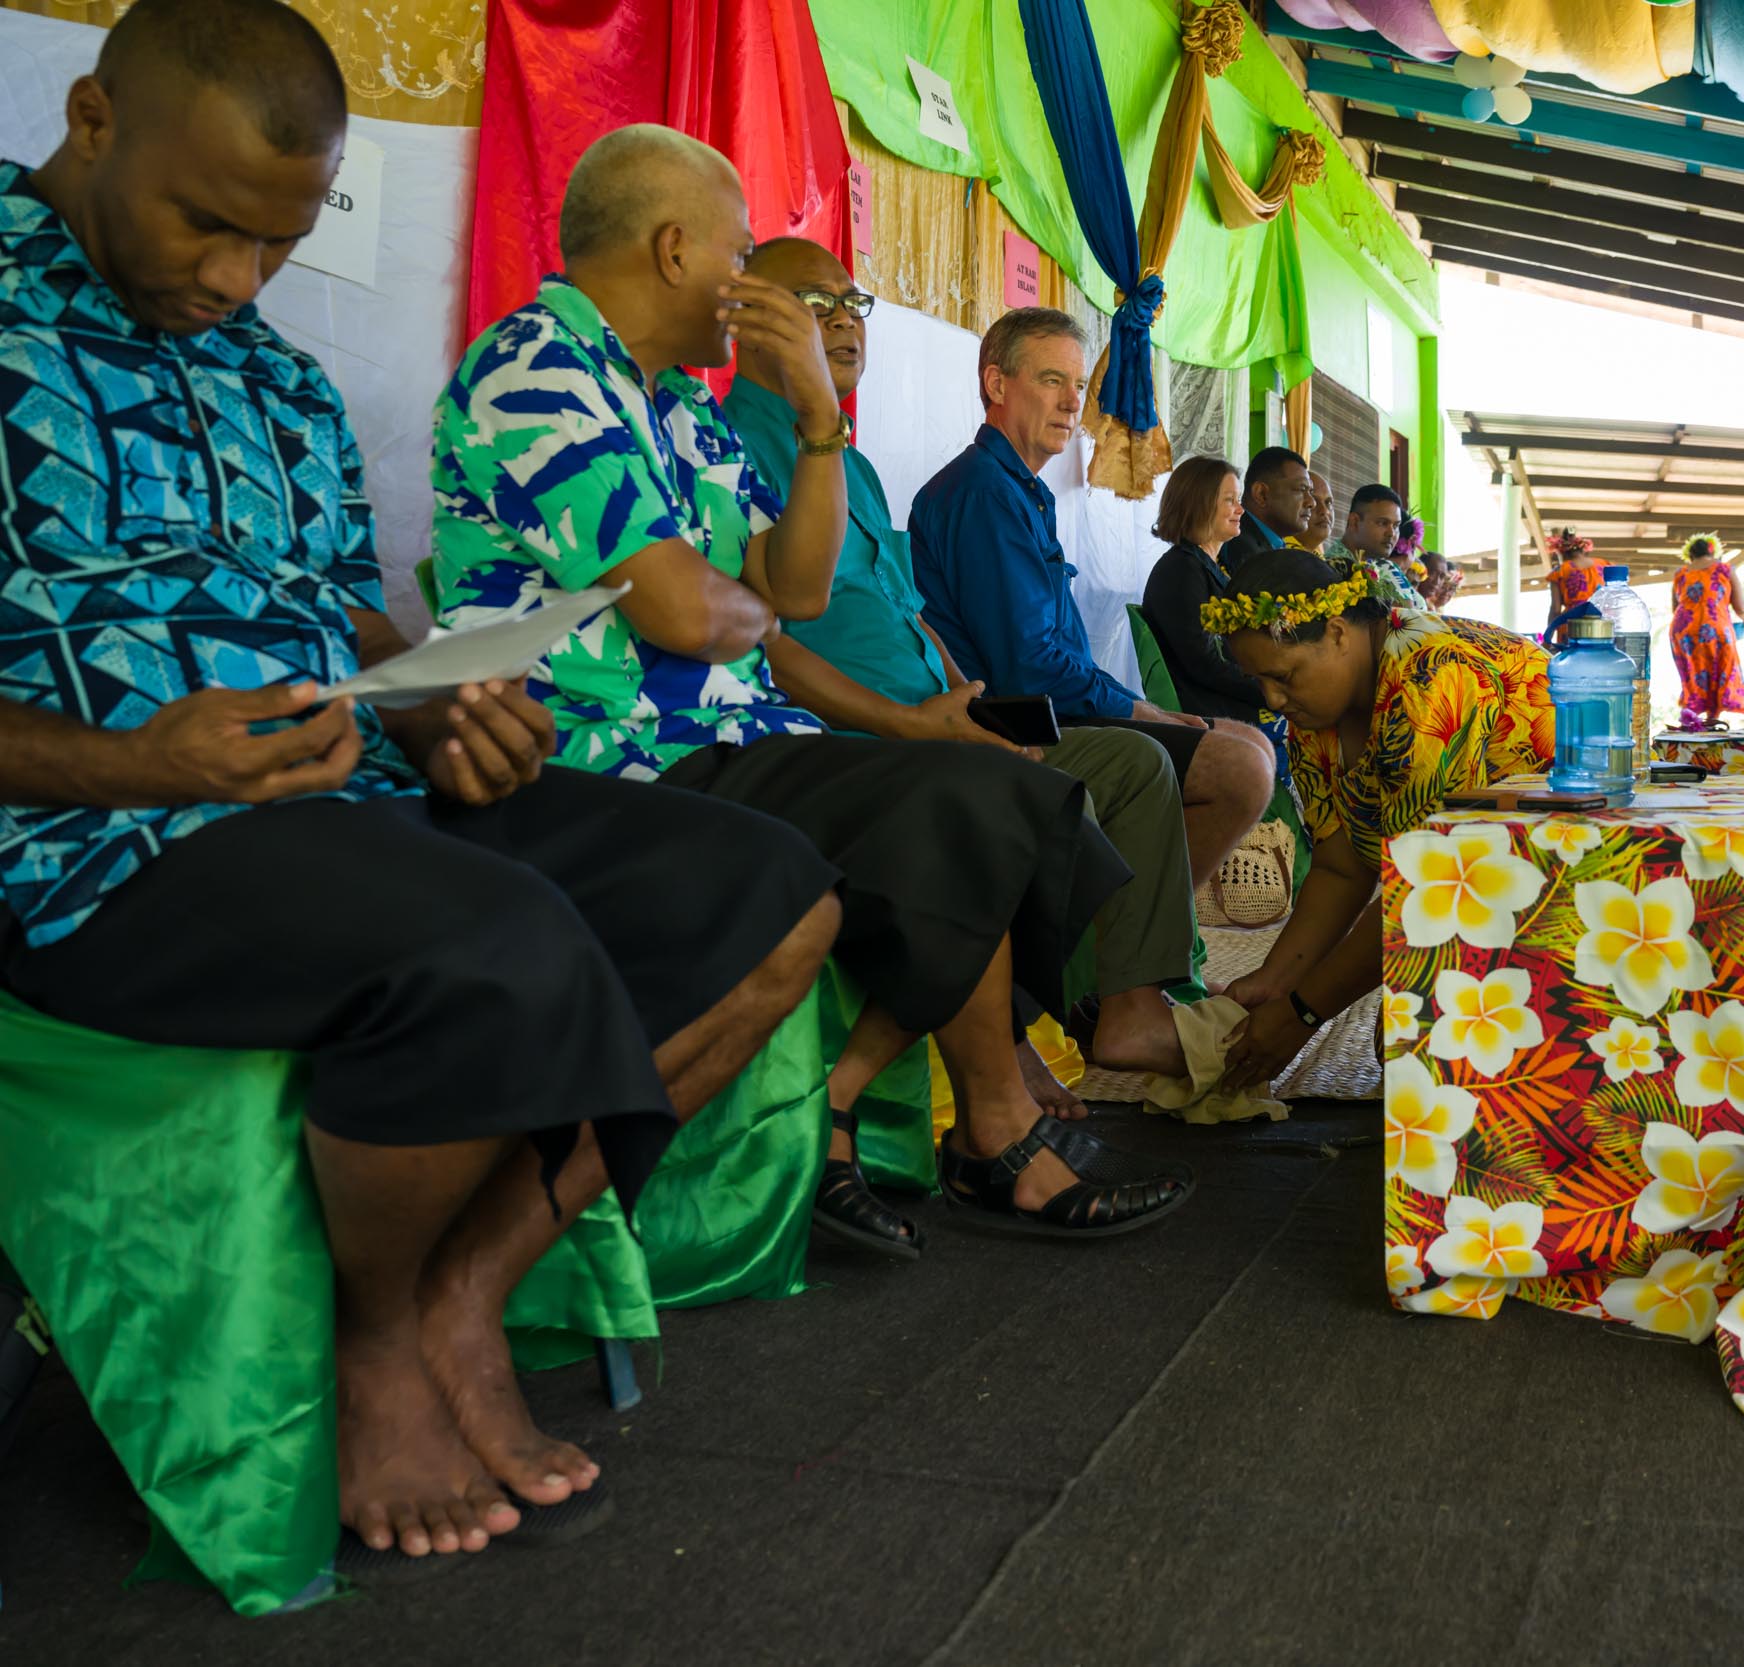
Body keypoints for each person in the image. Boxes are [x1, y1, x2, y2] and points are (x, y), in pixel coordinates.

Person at [0, 2, 845, 1568]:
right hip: (87, 838)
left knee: (762, 894)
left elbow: (349, 616)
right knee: (498, 936)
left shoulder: (282, 386)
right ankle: (375, 1333)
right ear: (96, 117)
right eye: (207, 225)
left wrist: (429, 703)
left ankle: (470, 1285)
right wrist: (134, 757)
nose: (235, 281)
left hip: (327, 794)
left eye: (276, 242)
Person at [433, 130, 1189, 1253]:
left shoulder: (682, 411)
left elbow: (786, 582)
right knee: (968, 794)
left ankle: (959, 1122)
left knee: (998, 793)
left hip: (733, 733)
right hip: (607, 753)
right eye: (742, 257)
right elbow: (705, 616)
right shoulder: (536, 367)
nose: (756, 291)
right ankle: (960, 1130)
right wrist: (737, 607)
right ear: (679, 249)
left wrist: (820, 424)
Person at [718, 236, 1195, 1097]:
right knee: (1049, 788)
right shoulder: (727, 447)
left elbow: (910, 613)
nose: (844, 323)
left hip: (936, 713)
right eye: (813, 304)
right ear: (746, 315)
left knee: (1129, 764)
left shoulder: (849, 466)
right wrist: (918, 724)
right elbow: (766, 638)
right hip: (843, 731)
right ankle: (1006, 1066)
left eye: (851, 304)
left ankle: (1111, 1001)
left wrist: (959, 707)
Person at [910, 308, 1274, 890]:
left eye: (1078, 386)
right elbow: (1028, 667)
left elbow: (1062, 658)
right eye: (1051, 380)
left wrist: (1136, 705)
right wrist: (1144, 710)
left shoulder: (1022, 491)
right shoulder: (982, 493)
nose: (1071, 402)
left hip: (1056, 708)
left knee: (1250, 743)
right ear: (997, 384)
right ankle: (1124, 954)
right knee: (1241, 771)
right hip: (1014, 728)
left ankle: (1137, 935)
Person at [1205, 549, 1554, 1088]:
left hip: (1553, 877)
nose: (1273, 700)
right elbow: (1342, 866)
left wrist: (1302, 1014)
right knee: (1404, 1052)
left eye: (1284, 676)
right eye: (1260, 682)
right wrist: (1274, 982)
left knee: (1431, 1060)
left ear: (1340, 634)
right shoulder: (1319, 707)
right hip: (1463, 882)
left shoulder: (1431, 680)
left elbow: (1421, 887)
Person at [1140, 456, 1264, 727]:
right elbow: (1205, 664)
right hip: (1208, 713)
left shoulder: (1202, 565)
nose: (1241, 510)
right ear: (1199, 504)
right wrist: (1270, 691)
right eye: (1230, 500)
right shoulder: (1181, 571)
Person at [1668, 534, 1744, 731]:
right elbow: (1739, 604)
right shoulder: (1724, 569)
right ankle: (1713, 718)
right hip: (1714, 625)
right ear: (1712, 551)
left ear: (1690, 555)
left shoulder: (1681, 573)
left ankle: (1691, 716)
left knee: (1692, 673)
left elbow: (1675, 606)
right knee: (1720, 669)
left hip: (1683, 629)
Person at [1218, 445, 1313, 571]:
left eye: (1310, 491)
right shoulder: (1241, 548)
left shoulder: (1269, 545)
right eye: (1301, 489)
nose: (1312, 502)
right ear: (1261, 494)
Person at [1544, 526, 1601, 629]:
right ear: (1583, 550)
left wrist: (1547, 638)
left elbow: (1555, 609)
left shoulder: (1559, 571)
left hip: (1571, 624)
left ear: (1561, 553)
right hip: (1600, 624)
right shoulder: (1604, 565)